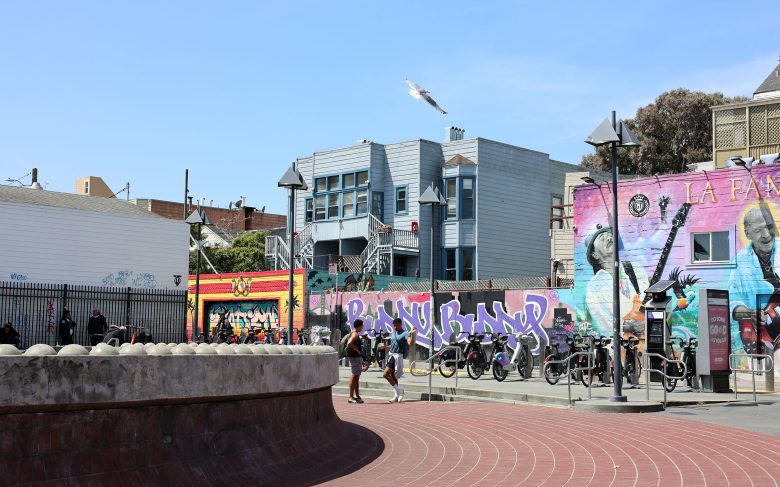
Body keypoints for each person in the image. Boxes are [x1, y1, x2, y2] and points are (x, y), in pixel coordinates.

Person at [730, 204, 780, 354]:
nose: (766, 234)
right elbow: (733, 303)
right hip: (760, 337)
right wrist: (750, 313)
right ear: (748, 234)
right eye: (759, 230)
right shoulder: (739, 262)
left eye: (769, 227)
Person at [584, 225, 649, 336]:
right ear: (594, 254)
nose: (609, 238)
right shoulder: (594, 287)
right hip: (620, 347)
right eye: (602, 238)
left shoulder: (636, 269)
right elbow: (605, 325)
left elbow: (649, 301)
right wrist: (628, 325)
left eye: (610, 235)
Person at [384, 318, 416, 403]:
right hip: (391, 355)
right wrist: (385, 347)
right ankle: (397, 395)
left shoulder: (405, 333)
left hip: (397, 356)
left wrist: (412, 335)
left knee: (386, 374)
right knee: (393, 376)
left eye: (396, 325)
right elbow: (393, 345)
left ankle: (398, 392)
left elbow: (410, 343)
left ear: (400, 324)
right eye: (394, 325)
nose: (395, 327)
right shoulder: (393, 333)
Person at [345, 319, 365, 404]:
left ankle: (356, 395)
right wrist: (356, 349)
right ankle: (350, 396)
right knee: (354, 376)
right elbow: (349, 343)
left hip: (355, 358)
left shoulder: (353, 333)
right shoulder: (355, 334)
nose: (362, 328)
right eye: (362, 326)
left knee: (356, 376)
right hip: (355, 358)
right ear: (359, 326)